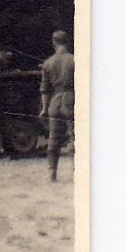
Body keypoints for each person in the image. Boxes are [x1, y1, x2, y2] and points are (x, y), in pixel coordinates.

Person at [39, 30, 75, 182]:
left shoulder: (48, 62)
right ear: (67, 42)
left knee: (54, 138)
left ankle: (52, 172)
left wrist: (44, 108)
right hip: (72, 100)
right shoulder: (74, 60)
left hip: (55, 101)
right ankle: (76, 172)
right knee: (74, 136)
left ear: (54, 42)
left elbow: (45, 89)